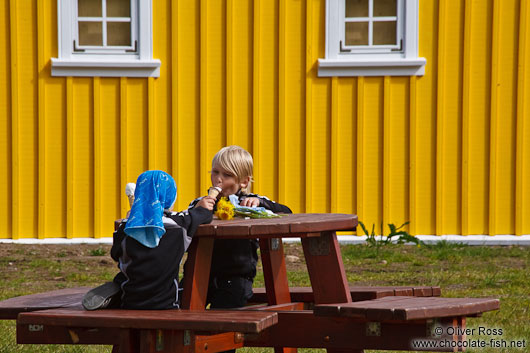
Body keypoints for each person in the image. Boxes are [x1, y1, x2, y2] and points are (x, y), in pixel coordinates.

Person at [186, 145, 292, 310]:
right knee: (182, 305)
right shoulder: (200, 202)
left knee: (224, 314)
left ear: (244, 181)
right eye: (215, 172)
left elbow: (287, 212)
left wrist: (260, 204)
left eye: (227, 175)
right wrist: (199, 211)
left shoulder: (251, 201)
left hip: (236, 275)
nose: (218, 179)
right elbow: (185, 225)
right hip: (199, 272)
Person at [103, 170, 215, 310]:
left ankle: (115, 291)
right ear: (170, 198)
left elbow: (115, 254)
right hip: (166, 304)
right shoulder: (179, 225)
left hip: (130, 302)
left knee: (128, 272)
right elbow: (204, 215)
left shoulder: (127, 228)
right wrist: (201, 207)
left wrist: (128, 220)